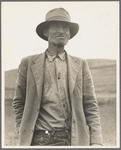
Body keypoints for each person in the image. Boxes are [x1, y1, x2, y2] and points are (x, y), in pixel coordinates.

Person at [13, 7, 103, 146]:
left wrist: (96, 142)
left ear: (69, 34)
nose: (61, 31)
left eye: (65, 27)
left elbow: (91, 105)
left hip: (74, 141)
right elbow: (19, 102)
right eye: (56, 26)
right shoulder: (28, 63)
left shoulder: (80, 64)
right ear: (46, 32)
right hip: (39, 141)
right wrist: (22, 132)